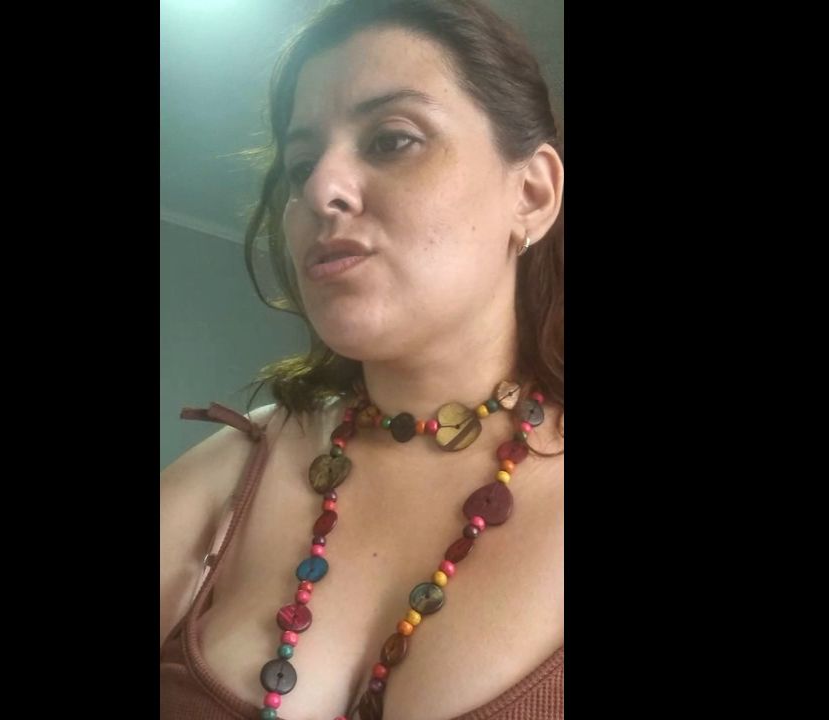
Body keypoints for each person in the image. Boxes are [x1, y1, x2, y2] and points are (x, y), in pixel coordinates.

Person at [160, 1, 564, 718]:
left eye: (392, 139)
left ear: (531, 194)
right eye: (301, 165)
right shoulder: (232, 469)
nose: (320, 190)